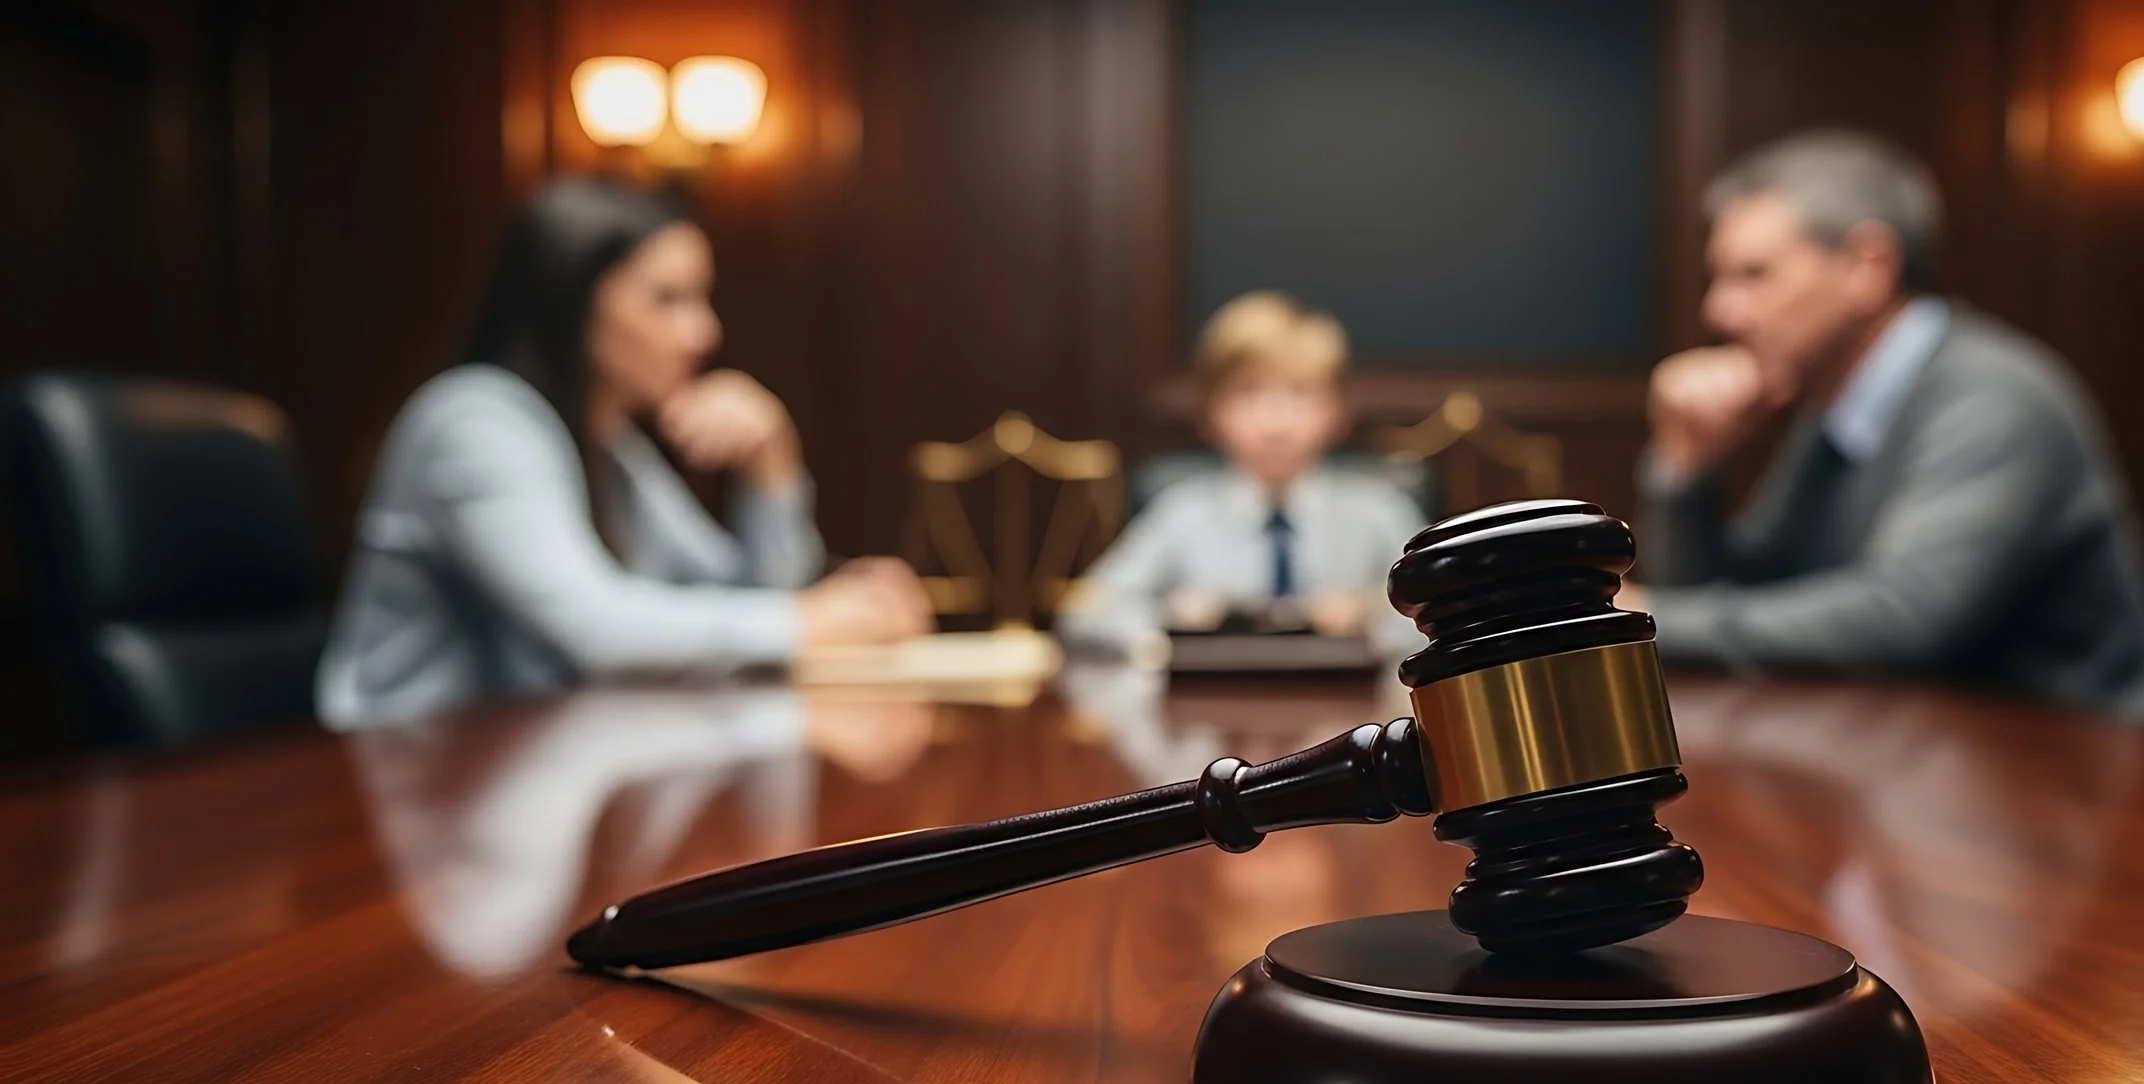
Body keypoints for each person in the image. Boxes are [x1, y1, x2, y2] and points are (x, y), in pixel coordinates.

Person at [317, 179, 930, 730]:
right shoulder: (474, 424)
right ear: (572, 302)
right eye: (668, 299)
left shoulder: (607, 446)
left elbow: (740, 597)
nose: (705, 332)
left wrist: (773, 468)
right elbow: (597, 631)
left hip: (527, 770)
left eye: (701, 297)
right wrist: (810, 622)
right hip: (398, 783)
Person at [1634, 130, 2144, 723]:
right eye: (1720, 278)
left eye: (1754, 275)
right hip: (1942, 752)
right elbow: (1749, 597)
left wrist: (1645, 616)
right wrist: (1687, 467)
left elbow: (1906, 618)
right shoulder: (1839, 402)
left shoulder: (1993, 397)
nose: (1719, 310)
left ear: (1868, 267)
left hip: (2096, 765)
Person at [1055, 291, 1423, 662]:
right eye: (1247, 394)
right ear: (1210, 411)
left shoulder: (1379, 510)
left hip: (1350, 708)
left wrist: (1370, 624)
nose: (1274, 422)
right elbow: (1087, 610)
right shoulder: (1181, 512)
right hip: (1209, 709)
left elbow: (1444, 614)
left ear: (1339, 409)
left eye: (1300, 393)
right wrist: (1168, 627)